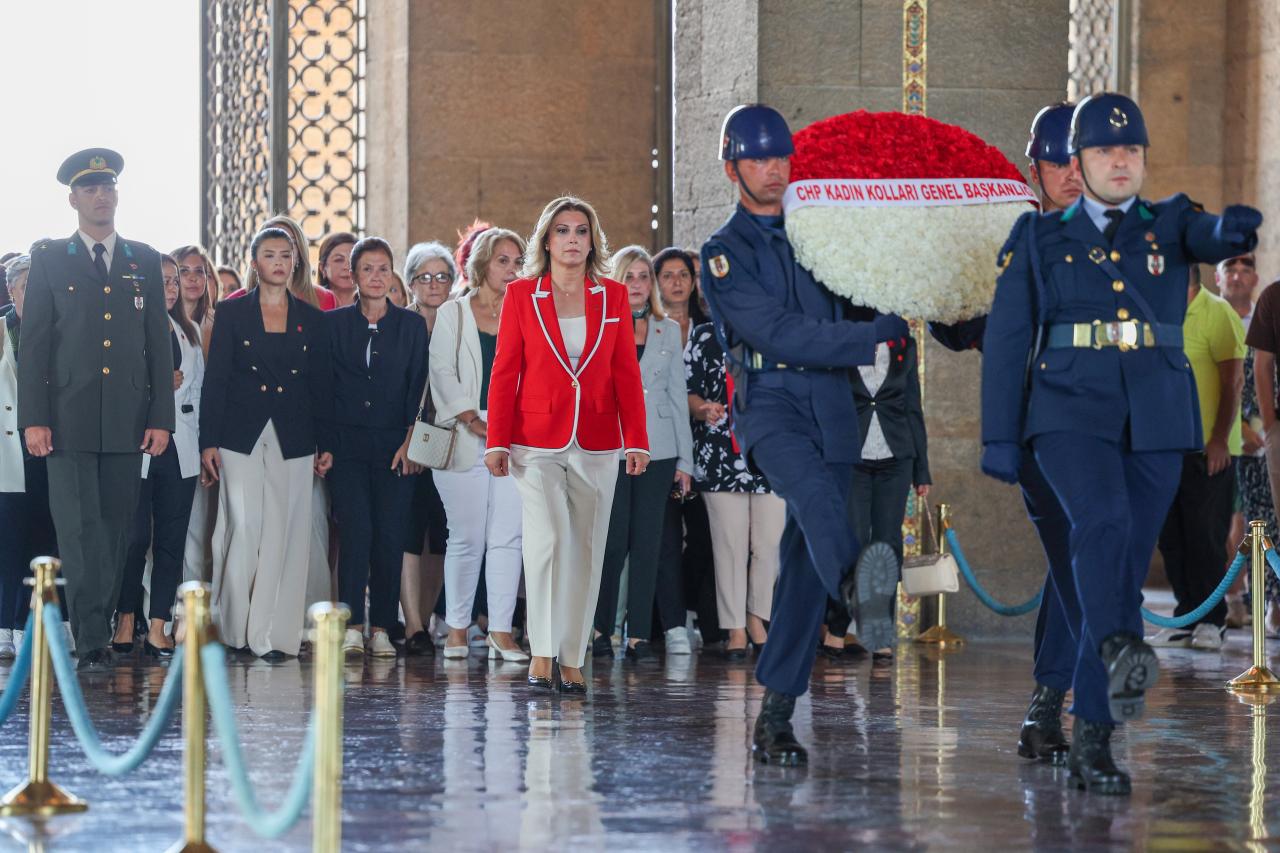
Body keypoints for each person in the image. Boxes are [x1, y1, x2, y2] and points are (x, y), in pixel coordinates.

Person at [982, 92, 1261, 794]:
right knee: (1098, 533)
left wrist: (1231, 231)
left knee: (1108, 567)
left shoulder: (1166, 223)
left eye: (1128, 150)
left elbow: (1204, 233)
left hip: (1156, 421)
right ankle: (1106, 671)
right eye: (1096, 153)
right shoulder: (1035, 238)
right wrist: (997, 438)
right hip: (1066, 418)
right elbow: (1004, 339)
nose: (1111, 163)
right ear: (1062, 163)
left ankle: (1087, 735)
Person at [700, 106, 906, 764]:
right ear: (733, 167)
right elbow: (778, 333)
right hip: (770, 405)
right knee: (818, 501)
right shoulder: (723, 254)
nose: (773, 170)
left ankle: (776, 717)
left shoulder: (820, 236)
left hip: (831, 404)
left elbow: (864, 297)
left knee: (801, 570)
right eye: (758, 160)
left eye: (781, 159)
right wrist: (869, 337)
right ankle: (859, 585)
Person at [18, 148, 175, 670]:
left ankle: (99, 626)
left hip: (129, 419)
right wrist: (33, 418)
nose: (101, 195)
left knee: (118, 530)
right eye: (90, 188)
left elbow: (158, 341)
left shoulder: (142, 260)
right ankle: (91, 637)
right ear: (73, 199)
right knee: (78, 528)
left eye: (107, 186)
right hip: (66, 418)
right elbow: (34, 345)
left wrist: (161, 418)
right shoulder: (48, 259)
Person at [484, 197, 649, 694]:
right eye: (562, 231)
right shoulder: (521, 296)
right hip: (535, 441)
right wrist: (496, 441)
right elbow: (505, 370)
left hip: (598, 439)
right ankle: (542, 650)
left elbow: (626, 373)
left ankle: (573, 657)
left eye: (581, 230)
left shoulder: (614, 296)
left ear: (592, 240)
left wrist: (636, 440)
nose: (572, 239)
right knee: (548, 540)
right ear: (547, 240)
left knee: (587, 549)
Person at [199, 226, 332, 659]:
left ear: (295, 262)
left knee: (288, 531)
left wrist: (324, 441)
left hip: (295, 432)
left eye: (285, 255)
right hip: (239, 433)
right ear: (254, 264)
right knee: (245, 526)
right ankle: (236, 629)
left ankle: (276, 634)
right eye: (269, 255)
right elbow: (215, 381)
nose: (278, 262)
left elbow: (319, 384)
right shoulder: (231, 313)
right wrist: (208, 443)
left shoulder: (312, 318)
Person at [326, 237, 427, 657]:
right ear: (353, 275)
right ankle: (351, 625)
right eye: (367, 269)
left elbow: (419, 387)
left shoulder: (411, 325)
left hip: (395, 447)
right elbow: (325, 388)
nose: (375, 276)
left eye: (383, 268)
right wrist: (326, 446)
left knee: (389, 535)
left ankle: (383, 627)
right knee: (356, 533)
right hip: (347, 447)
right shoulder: (334, 325)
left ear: (392, 274)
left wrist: (411, 442)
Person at [591, 246, 693, 661]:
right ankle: (599, 629)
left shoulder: (666, 328)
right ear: (616, 280)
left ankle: (638, 635)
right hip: (612, 446)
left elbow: (677, 394)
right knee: (613, 541)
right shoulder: (600, 324)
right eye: (629, 277)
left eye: (643, 277)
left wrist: (686, 462)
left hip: (660, 446)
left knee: (648, 542)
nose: (637, 285)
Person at [432, 228, 528, 662]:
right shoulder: (453, 313)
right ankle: (456, 630)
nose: (510, 270)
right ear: (482, 264)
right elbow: (442, 373)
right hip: (462, 434)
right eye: (502, 261)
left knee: (509, 537)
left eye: (516, 261)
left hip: (516, 438)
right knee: (466, 538)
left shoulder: (527, 312)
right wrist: (473, 419)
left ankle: (502, 632)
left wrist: (507, 428)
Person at [824, 312, 930, 663]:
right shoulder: (844, 341)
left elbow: (912, 406)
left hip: (896, 457)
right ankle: (837, 627)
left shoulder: (905, 345)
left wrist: (922, 471)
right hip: (851, 457)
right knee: (851, 542)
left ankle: (879, 631)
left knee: (887, 545)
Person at [112, 253, 204, 659]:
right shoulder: (128, 330)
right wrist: (157, 386)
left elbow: (197, 395)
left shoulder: (189, 331)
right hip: (139, 446)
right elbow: (117, 387)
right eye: (162, 280)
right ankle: (126, 616)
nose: (169, 288)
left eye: (173, 281)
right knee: (134, 539)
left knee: (172, 540)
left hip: (180, 447)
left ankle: (159, 625)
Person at [1151, 266, 1244, 651]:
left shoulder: (1217, 311)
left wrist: (1220, 439)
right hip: (1164, 446)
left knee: (1205, 535)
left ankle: (1212, 620)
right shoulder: (1159, 312)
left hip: (1209, 448)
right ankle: (1187, 615)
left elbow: (1233, 380)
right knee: (1172, 536)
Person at [684, 318, 783, 658]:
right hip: (719, 453)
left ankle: (757, 619)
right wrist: (701, 408)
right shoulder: (705, 334)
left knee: (767, 545)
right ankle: (736, 629)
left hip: (772, 450)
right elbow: (687, 391)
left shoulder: (776, 328)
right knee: (730, 547)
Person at [0, 255, 58, 659]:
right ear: (12, 291)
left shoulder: (61, 331)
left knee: (43, 536)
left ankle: (27, 623)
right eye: (25, 288)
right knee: (8, 540)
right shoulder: (2, 329)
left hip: (48, 447)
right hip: (6, 449)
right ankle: (5, 624)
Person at [399, 241, 455, 655]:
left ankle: (431, 616)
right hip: (410, 440)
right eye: (425, 277)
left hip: (455, 443)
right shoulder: (403, 324)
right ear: (411, 282)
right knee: (407, 532)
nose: (434, 285)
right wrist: (409, 440)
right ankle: (413, 624)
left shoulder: (462, 320)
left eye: (442, 276)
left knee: (441, 537)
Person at [173, 244, 218, 351]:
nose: (193, 278)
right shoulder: (160, 321)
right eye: (184, 271)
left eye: (199, 271)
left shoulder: (220, 321)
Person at [318, 232, 357, 309]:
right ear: (323, 268)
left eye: (353, 260)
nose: (347, 267)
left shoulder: (378, 304)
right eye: (339, 260)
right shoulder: (309, 303)